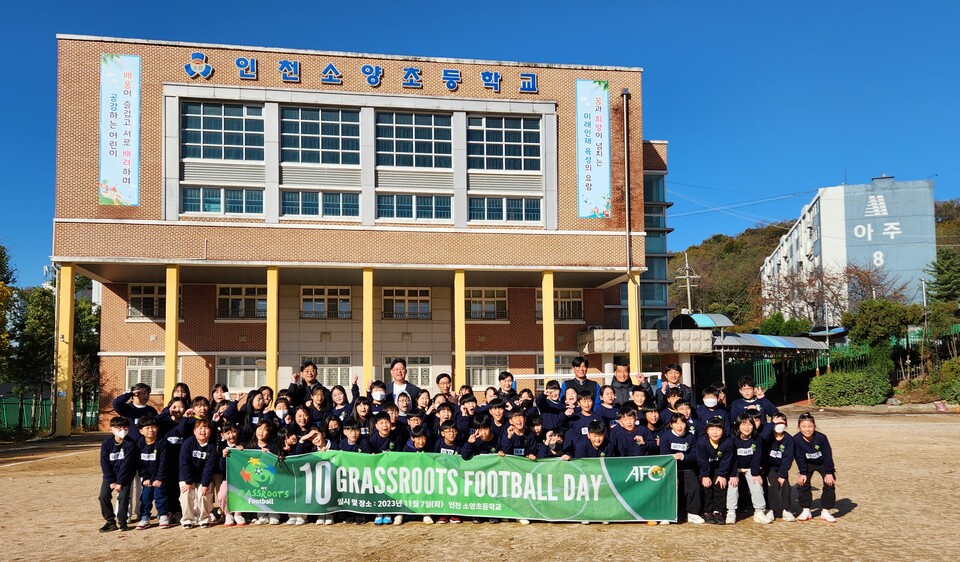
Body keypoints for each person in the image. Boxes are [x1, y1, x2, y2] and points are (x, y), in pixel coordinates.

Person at [725, 413, 773, 525]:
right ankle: (731, 512)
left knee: (757, 485)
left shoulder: (757, 439)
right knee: (733, 487)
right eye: (743, 424)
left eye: (749, 424)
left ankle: (759, 512)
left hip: (750, 467)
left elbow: (757, 457)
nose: (747, 428)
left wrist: (756, 474)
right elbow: (732, 457)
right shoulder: (732, 438)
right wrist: (732, 474)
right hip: (734, 467)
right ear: (737, 425)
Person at [659, 413, 703, 524]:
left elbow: (694, 456)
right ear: (671, 424)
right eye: (676, 423)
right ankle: (667, 514)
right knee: (670, 488)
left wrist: (684, 457)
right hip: (670, 469)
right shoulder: (665, 436)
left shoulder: (691, 437)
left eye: (682, 422)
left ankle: (693, 513)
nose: (679, 426)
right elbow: (663, 454)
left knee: (695, 488)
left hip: (687, 468)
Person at [794, 412, 838, 522]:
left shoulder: (821, 438)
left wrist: (829, 472)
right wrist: (802, 472)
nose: (807, 429)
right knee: (803, 482)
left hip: (822, 463)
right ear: (799, 427)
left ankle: (826, 511)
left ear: (814, 426)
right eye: (804, 427)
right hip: (807, 464)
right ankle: (806, 510)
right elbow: (799, 457)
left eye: (810, 426)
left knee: (830, 482)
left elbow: (828, 455)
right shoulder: (796, 439)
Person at [98, 416, 138, 532]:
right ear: (112, 429)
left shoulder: (130, 444)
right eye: (119, 428)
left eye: (125, 427)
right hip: (111, 475)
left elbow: (127, 465)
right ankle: (110, 521)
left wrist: (120, 483)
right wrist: (111, 481)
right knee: (103, 496)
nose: (122, 430)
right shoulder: (107, 443)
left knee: (123, 496)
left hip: (125, 475)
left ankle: (122, 521)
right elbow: (104, 462)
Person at [695, 416, 734, 525]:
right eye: (712, 429)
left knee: (719, 484)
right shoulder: (702, 442)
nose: (715, 432)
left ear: (723, 430)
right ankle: (707, 511)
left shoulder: (728, 442)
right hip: (705, 468)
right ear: (707, 430)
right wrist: (705, 475)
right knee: (707, 486)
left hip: (719, 468)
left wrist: (722, 474)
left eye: (718, 429)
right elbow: (702, 460)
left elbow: (726, 460)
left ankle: (718, 511)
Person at [178, 419, 216, 529]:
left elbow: (209, 467)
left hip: (203, 477)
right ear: (194, 431)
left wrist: (204, 484)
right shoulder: (188, 443)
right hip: (187, 476)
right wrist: (189, 482)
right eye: (200, 428)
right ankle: (187, 519)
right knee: (186, 493)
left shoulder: (212, 447)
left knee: (204, 493)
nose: (203, 431)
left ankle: (204, 518)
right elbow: (184, 463)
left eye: (206, 428)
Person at [134, 416, 168, 529]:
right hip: (147, 476)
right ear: (141, 431)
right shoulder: (139, 443)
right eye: (147, 428)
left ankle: (163, 515)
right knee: (145, 496)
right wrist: (145, 477)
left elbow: (164, 462)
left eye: (153, 427)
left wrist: (159, 478)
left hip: (159, 476)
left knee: (160, 495)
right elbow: (139, 462)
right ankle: (145, 517)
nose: (150, 430)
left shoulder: (162, 442)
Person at [210, 422, 245, 527]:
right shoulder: (220, 447)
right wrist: (223, 457)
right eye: (228, 433)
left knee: (241, 494)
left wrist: (243, 452)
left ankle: (238, 514)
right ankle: (228, 514)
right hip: (227, 478)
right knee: (222, 495)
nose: (231, 435)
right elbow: (221, 468)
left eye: (234, 432)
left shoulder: (243, 444)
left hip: (242, 478)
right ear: (223, 435)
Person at [763, 413, 796, 522]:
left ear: (786, 424)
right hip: (770, 467)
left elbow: (788, 458)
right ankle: (772, 510)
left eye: (782, 422)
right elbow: (762, 436)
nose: (779, 425)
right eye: (777, 422)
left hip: (782, 467)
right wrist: (771, 424)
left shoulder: (789, 439)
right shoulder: (768, 437)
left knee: (785, 485)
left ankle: (786, 510)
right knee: (774, 484)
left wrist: (782, 474)